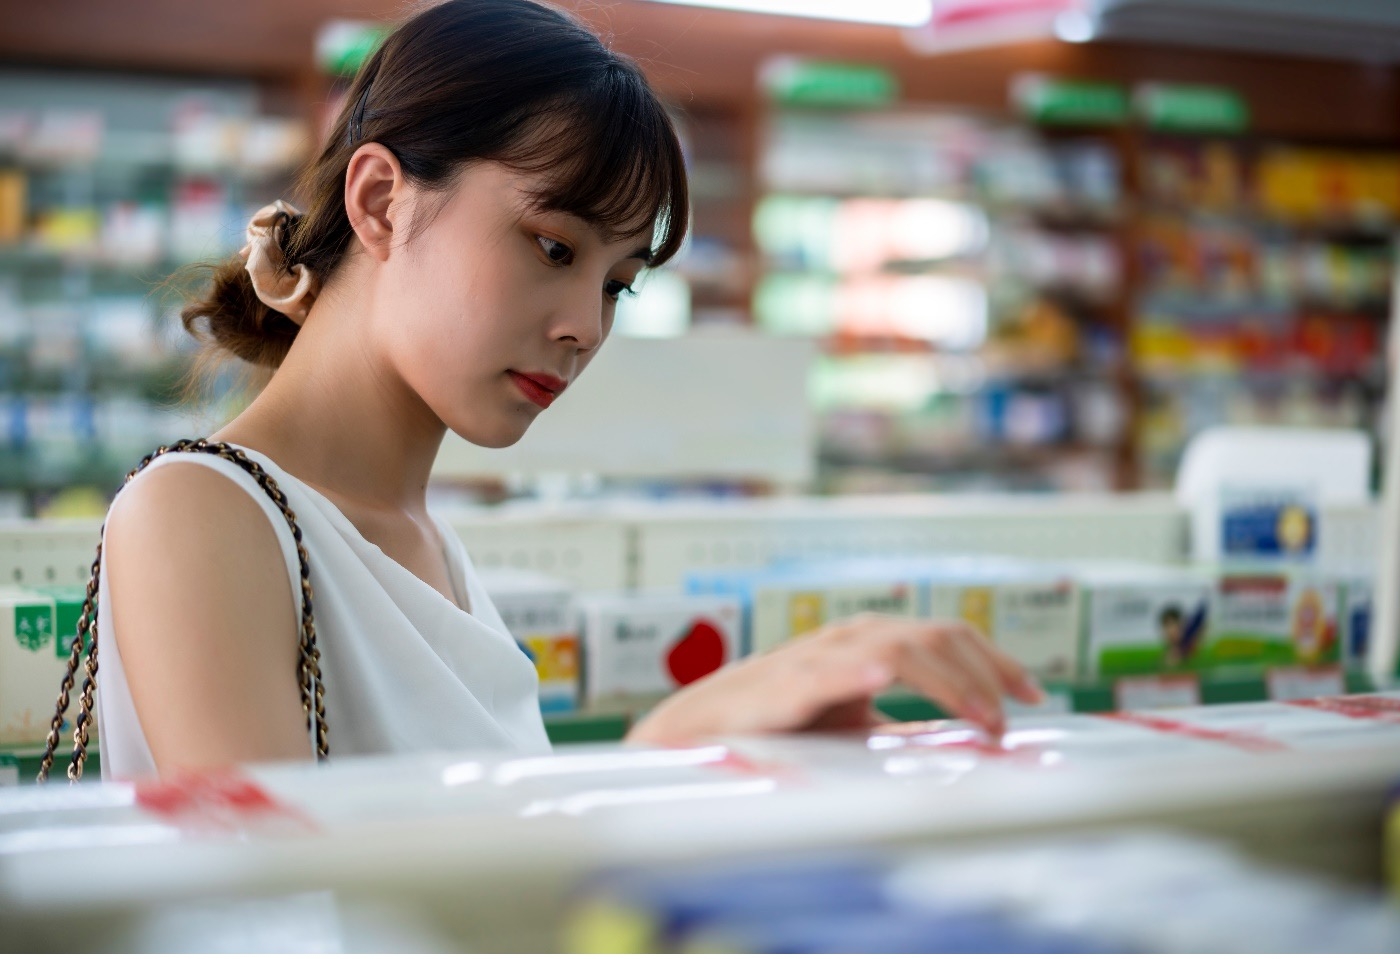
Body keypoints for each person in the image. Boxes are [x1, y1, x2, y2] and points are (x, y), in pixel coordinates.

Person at [97, 0, 1043, 781]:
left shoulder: (428, 541)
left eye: (616, 283)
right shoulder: (200, 513)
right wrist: (658, 755)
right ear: (382, 201)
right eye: (553, 247)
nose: (586, 326)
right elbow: (294, 917)